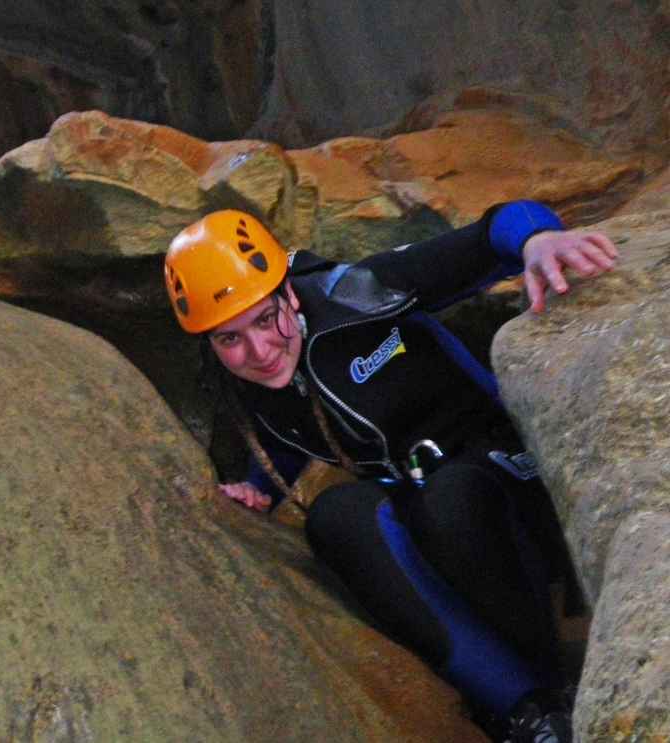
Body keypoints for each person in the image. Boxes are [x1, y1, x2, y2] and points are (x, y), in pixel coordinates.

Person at [163, 203, 618, 743]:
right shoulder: (240, 375)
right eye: (229, 338)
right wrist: (257, 488)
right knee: (334, 516)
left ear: (287, 290)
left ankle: (551, 683)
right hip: (423, 497)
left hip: (506, 477)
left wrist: (538, 241)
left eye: (266, 319)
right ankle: (528, 711)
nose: (259, 351)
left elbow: (495, 228)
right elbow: (288, 437)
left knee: (452, 501)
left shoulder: (356, 292)